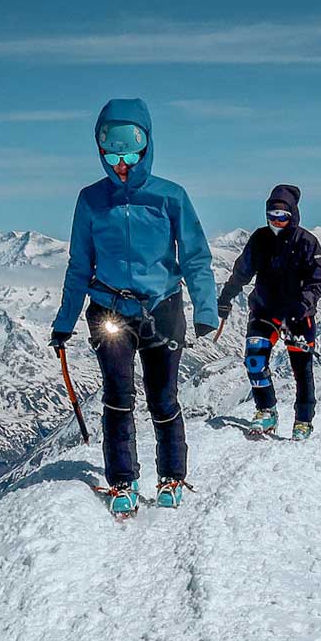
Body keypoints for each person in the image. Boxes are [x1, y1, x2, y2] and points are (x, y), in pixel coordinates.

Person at [50, 98, 218, 514]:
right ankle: (122, 481)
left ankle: (172, 476)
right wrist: (64, 321)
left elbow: (196, 256)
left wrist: (205, 309)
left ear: (146, 149)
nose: (121, 164)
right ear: (100, 151)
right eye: (112, 155)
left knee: (163, 397)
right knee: (117, 396)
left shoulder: (170, 197)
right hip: (108, 309)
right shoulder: (90, 200)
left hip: (163, 308)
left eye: (130, 155)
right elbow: (78, 266)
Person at [216, 185, 321, 440]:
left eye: (283, 216)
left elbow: (319, 279)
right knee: (254, 360)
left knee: (301, 369)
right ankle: (266, 409)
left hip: (298, 314)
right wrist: (225, 297)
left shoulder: (307, 242)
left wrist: (304, 303)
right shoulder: (260, 239)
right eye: (272, 216)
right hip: (264, 309)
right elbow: (241, 272)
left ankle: (303, 420)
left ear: (293, 215)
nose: (277, 221)